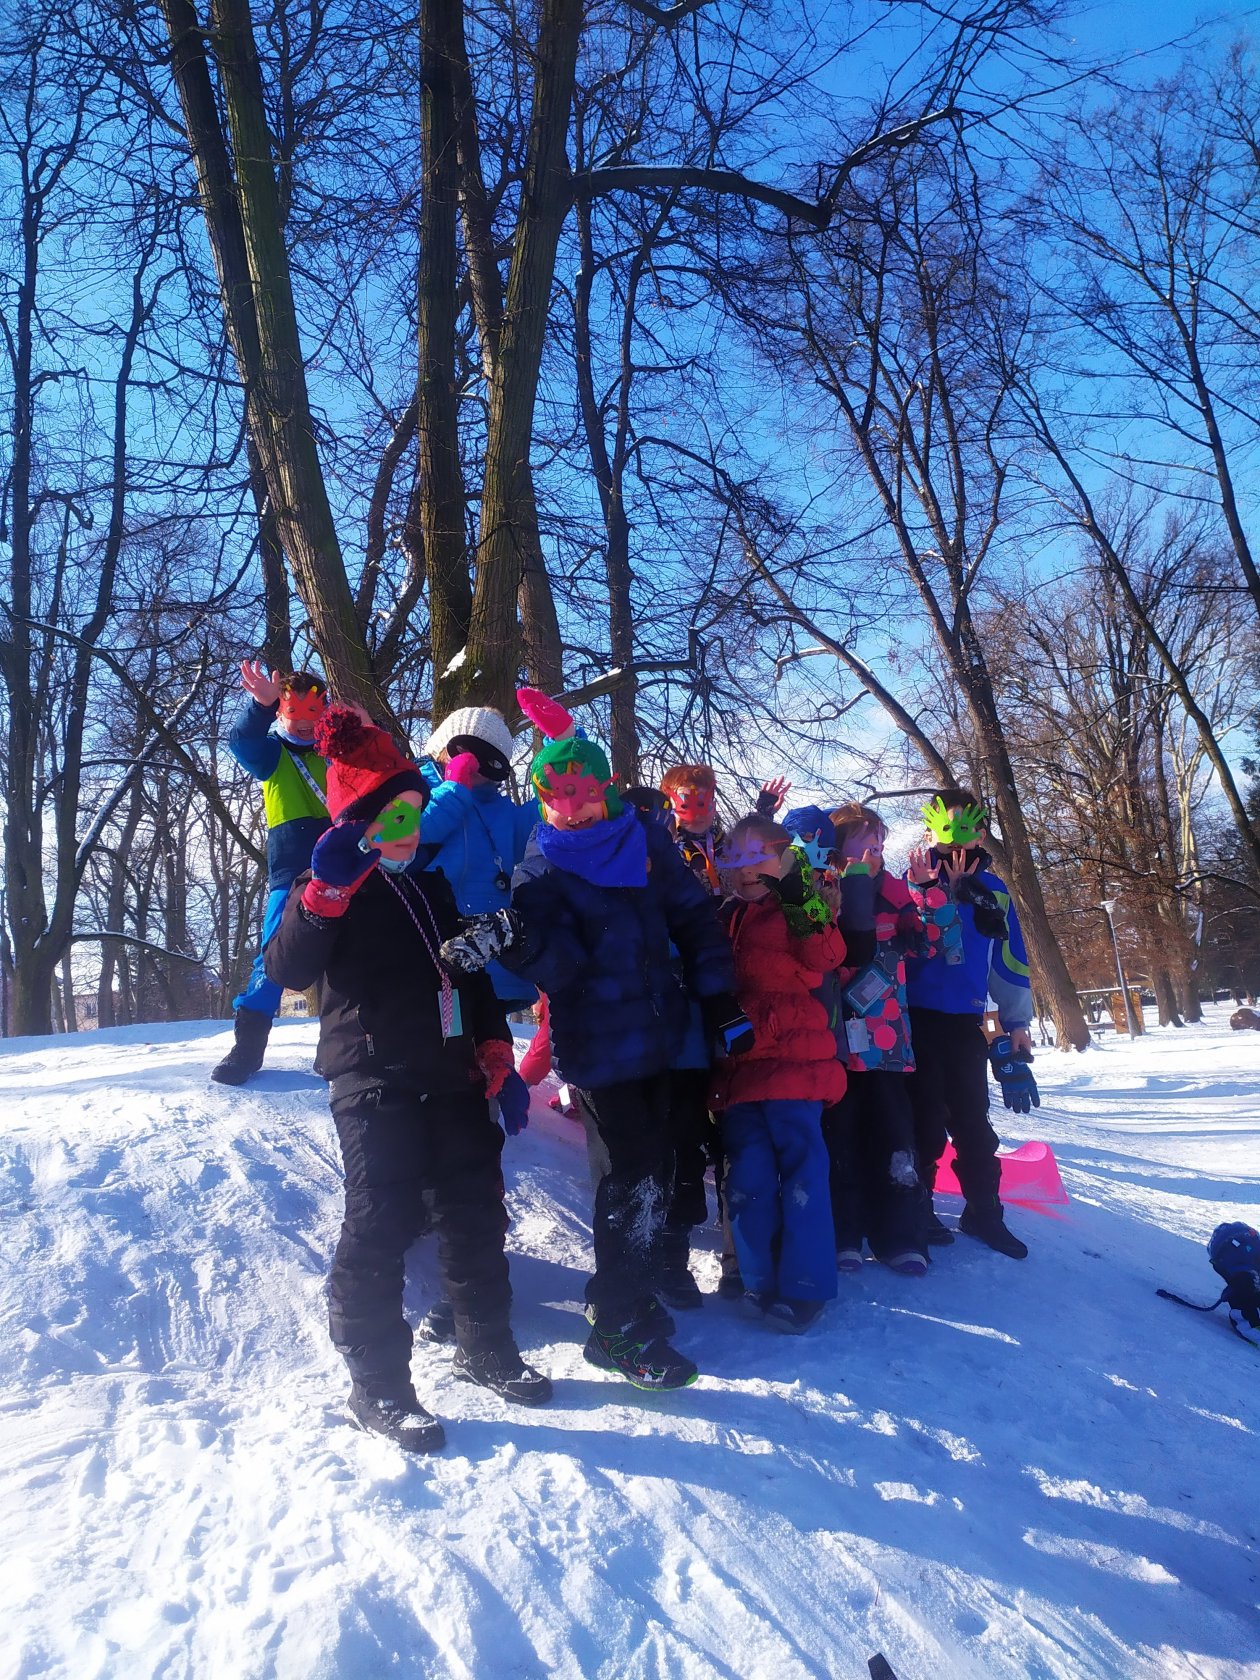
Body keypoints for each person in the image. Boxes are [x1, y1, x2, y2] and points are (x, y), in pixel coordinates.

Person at [264, 703, 550, 1453]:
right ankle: (380, 1385)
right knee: (383, 1219)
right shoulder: (326, 885)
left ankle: (484, 1345)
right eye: (390, 815)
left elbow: (468, 974)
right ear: (357, 821)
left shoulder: (430, 886)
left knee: (474, 1209)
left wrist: (493, 1048)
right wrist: (324, 894)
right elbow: (287, 968)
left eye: (414, 811)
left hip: (450, 1070)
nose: (407, 826)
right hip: (372, 1075)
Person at [440, 692, 746, 1392]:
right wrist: (517, 942)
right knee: (631, 1181)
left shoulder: (643, 842)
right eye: (554, 797)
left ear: (604, 790)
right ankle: (616, 1325)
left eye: (580, 795)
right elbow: (564, 968)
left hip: (668, 1034)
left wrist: (720, 997)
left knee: (660, 1173)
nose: (568, 810)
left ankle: (629, 1295)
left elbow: (694, 918)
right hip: (602, 1049)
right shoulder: (541, 870)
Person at [713, 814, 846, 1332]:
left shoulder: (800, 906)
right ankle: (757, 1278)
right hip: (741, 1067)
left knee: (802, 1176)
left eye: (758, 857)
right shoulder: (724, 917)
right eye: (736, 859)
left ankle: (806, 1285)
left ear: (784, 856)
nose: (747, 871)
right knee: (746, 1177)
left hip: (795, 1063)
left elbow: (828, 952)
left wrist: (797, 894)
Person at [809, 801, 947, 1277]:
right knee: (839, 1138)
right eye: (863, 838)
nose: (875, 847)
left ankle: (900, 1235)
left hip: (888, 1041)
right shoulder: (823, 891)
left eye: (880, 839)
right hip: (836, 1040)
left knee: (894, 1136)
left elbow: (938, 947)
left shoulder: (899, 894)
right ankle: (844, 1232)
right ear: (838, 845)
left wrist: (929, 892)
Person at [903, 789, 1035, 1260]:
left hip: (965, 1020)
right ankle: (914, 1209)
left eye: (968, 827)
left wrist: (1016, 1019)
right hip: (913, 1019)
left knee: (973, 1123)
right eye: (947, 826)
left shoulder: (994, 890)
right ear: (930, 828)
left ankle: (984, 1212)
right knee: (924, 1124)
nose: (957, 837)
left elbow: (1010, 959)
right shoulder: (911, 881)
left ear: (981, 831)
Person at [212, 661, 330, 1086]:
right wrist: (259, 707)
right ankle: (247, 1049)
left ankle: (336, 1051)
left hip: (344, 867)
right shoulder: (273, 754)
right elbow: (242, 742)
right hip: (290, 870)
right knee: (275, 952)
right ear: (281, 714)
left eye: (312, 716)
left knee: (346, 957)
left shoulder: (335, 754)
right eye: (293, 716)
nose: (303, 725)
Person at [416, 707, 539, 1012]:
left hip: (489, 950)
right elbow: (415, 831)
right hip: (434, 941)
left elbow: (545, 819)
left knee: (492, 1045)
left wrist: (564, 750)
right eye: (466, 751)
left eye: (488, 757)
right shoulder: (419, 787)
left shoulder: (502, 809)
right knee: (446, 1044)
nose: (475, 764)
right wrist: (455, 788)